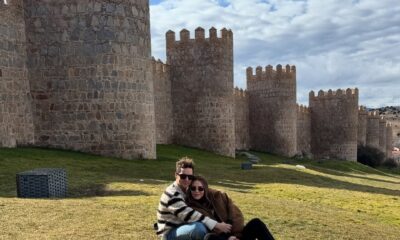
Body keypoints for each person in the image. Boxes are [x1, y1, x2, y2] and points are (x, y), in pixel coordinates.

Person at [156, 157, 233, 240]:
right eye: (183, 176)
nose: (186, 179)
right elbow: (189, 214)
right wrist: (216, 225)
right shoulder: (172, 194)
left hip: (183, 226)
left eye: (190, 177)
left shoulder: (187, 190)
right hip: (169, 233)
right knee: (199, 228)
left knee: (203, 225)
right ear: (176, 175)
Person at [186, 176, 275, 240]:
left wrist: (235, 235)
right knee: (209, 238)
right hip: (221, 238)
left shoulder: (218, 197)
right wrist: (228, 237)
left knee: (256, 223)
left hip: (238, 235)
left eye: (200, 188)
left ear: (205, 189)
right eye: (193, 188)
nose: (197, 191)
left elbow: (235, 213)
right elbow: (208, 227)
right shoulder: (192, 208)